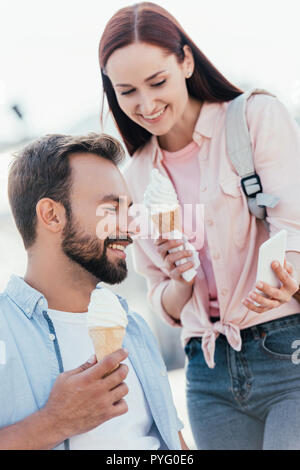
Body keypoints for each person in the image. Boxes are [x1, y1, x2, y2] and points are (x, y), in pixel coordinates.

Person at [98, 2, 300, 450]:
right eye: (127, 91)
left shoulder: (253, 118)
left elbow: (296, 230)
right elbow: (162, 301)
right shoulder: (134, 177)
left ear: (185, 61)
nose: (146, 105)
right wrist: (178, 279)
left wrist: (287, 279)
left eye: (157, 82)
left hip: (286, 350)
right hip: (207, 372)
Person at [0, 132, 188, 450]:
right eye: (112, 208)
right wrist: (53, 422)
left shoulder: (134, 327)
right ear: (52, 215)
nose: (133, 226)